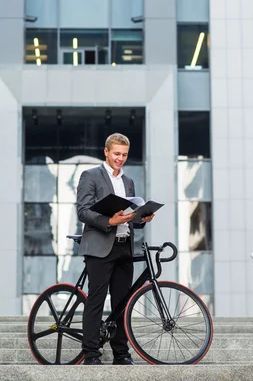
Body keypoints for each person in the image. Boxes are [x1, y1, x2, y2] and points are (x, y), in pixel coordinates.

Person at [76, 133, 155, 365]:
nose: (121, 158)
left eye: (125, 155)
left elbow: (128, 217)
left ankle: (121, 354)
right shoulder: (90, 176)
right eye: (117, 154)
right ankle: (91, 354)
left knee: (122, 302)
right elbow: (83, 211)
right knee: (97, 300)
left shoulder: (128, 181)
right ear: (106, 152)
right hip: (100, 247)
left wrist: (141, 218)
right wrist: (108, 221)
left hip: (123, 248)